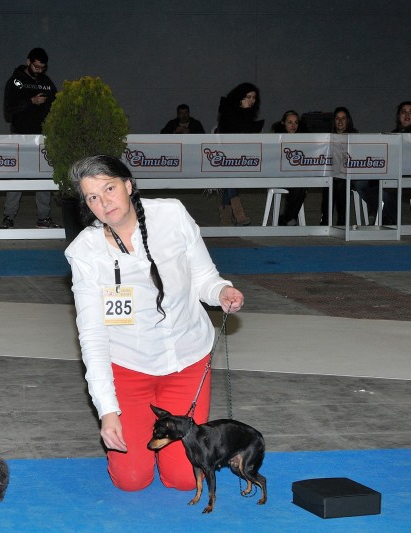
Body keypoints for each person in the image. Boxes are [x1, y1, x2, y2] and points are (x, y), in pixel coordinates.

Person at [64, 154, 244, 492]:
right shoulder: (84, 253)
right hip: (129, 369)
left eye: (110, 188)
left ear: (128, 185)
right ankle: (135, 442)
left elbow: (205, 278)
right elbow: (92, 337)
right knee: (131, 481)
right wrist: (107, 411)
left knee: (183, 479)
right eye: (93, 197)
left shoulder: (171, 214)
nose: (104, 202)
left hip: (187, 362)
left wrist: (221, 292)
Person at [0, 47, 60, 229]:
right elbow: (8, 109)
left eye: (42, 67)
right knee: (17, 177)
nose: (39, 70)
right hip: (21, 136)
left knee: (44, 177)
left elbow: (57, 104)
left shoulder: (46, 82)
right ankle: (8, 217)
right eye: (36, 66)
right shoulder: (16, 81)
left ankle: (43, 217)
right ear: (28, 62)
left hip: (42, 137)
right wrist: (30, 102)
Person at [216, 82, 264, 226]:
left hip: (239, 155)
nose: (251, 100)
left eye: (254, 97)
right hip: (225, 155)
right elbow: (230, 132)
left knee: (230, 184)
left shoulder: (246, 113)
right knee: (231, 182)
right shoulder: (228, 111)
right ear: (239, 97)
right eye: (248, 97)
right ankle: (239, 214)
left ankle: (225, 221)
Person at [322, 107, 357, 225]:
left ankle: (342, 222)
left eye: (343, 118)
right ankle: (325, 220)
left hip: (349, 176)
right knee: (329, 182)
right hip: (332, 175)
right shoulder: (328, 137)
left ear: (348, 120)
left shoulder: (354, 136)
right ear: (334, 121)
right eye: (337, 118)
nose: (340, 121)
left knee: (341, 184)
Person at [272, 110, 308, 226]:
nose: (293, 126)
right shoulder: (276, 139)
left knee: (302, 186)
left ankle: (286, 218)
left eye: (296, 123)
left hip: (296, 176)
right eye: (290, 123)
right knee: (298, 186)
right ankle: (289, 218)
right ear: (283, 124)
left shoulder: (302, 139)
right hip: (278, 175)